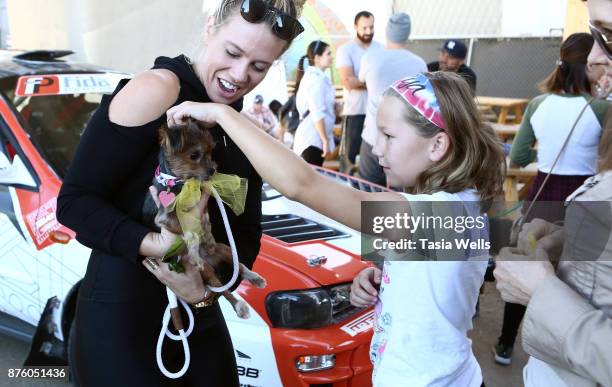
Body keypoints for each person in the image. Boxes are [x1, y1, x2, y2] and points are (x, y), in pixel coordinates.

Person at [56, 0, 310, 387]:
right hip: (122, 317)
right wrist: (155, 243)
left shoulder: (237, 125)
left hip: (198, 312)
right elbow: (75, 202)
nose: (239, 76)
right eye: (232, 53)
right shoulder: (157, 90)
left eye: (259, 67)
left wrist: (208, 287)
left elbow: (245, 235)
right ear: (210, 27)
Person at [166, 71, 505, 386]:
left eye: (388, 136)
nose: (376, 147)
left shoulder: (436, 216)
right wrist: (384, 280)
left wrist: (224, 114)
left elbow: (304, 185)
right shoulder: (456, 206)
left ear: (437, 146)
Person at [494, 0, 612, 387]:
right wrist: (565, 239)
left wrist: (544, 292)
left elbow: (520, 156)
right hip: (573, 198)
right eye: (596, 37)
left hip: (542, 193)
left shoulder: (540, 105)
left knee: (521, 272)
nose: (601, 57)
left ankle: (504, 343)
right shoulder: (599, 113)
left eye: (611, 35)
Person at [358, 12, 427, 185]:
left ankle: (370, 214)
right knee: (400, 198)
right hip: (404, 140)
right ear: (407, 34)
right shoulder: (419, 64)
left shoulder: (371, 58)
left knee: (368, 192)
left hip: (373, 135)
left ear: (388, 32)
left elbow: (361, 80)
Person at [336, 11, 383, 173]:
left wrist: (362, 81)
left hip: (378, 113)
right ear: (355, 27)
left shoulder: (380, 49)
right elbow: (348, 81)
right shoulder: (346, 50)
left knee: (377, 159)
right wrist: (374, 81)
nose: (368, 31)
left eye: (371, 27)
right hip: (355, 112)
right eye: (364, 28)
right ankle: (346, 195)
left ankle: (371, 196)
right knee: (349, 160)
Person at [292, 40, 335, 166]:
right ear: (317, 58)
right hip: (313, 139)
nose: (331, 57)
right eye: (328, 54)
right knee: (309, 181)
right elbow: (316, 112)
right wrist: (324, 140)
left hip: (314, 139)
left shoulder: (318, 77)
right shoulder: (316, 79)